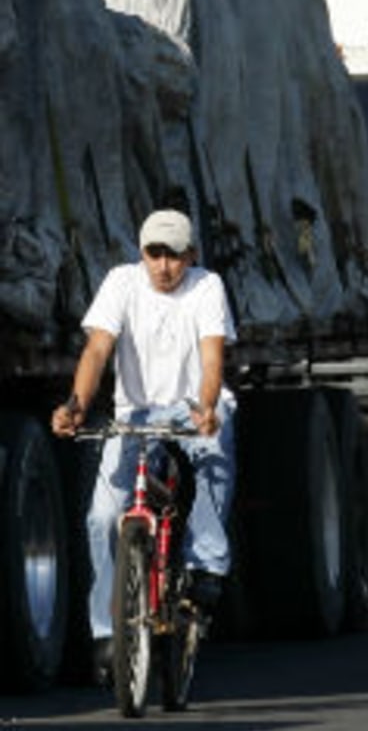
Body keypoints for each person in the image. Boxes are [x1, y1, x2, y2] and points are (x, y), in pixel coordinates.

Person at [49, 209, 237, 685]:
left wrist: (208, 406)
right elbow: (96, 350)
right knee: (101, 515)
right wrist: (75, 404)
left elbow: (212, 356)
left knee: (214, 455)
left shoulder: (207, 286)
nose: (163, 265)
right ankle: (105, 633)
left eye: (174, 255)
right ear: (141, 252)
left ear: (190, 255)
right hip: (135, 413)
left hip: (193, 407)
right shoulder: (121, 283)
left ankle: (205, 564)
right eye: (155, 254)